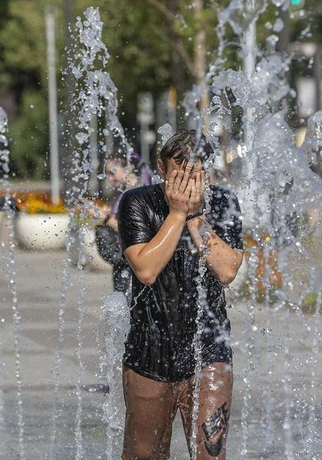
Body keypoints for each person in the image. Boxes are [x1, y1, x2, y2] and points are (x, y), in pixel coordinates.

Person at [117, 130, 243, 459]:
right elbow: (145, 270)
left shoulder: (224, 203)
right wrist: (176, 213)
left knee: (210, 454)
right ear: (161, 167)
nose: (190, 177)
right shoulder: (137, 202)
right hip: (150, 351)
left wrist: (195, 215)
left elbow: (228, 270)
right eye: (181, 168)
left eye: (198, 168)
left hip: (209, 352)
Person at [91, 152, 151, 296]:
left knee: (130, 304)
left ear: (128, 168)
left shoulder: (137, 192)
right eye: (107, 174)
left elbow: (134, 229)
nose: (110, 179)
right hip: (125, 260)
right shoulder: (123, 192)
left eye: (112, 173)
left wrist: (105, 219)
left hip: (133, 262)